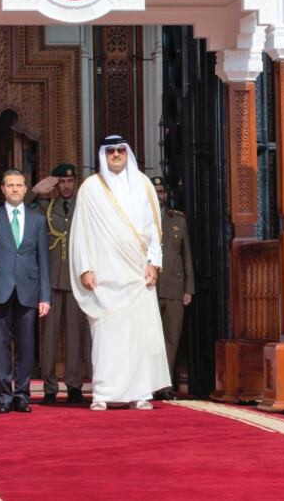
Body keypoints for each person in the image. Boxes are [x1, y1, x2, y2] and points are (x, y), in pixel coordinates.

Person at [70, 135, 170, 410]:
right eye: (111, 150)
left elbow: (154, 229)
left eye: (121, 150)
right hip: (104, 276)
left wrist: (154, 263)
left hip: (137, 274)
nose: (116, 154)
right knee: (106, 336)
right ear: (103, 154)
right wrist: (85, 268)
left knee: (138, 335)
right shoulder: (90, 188)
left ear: (127, 153)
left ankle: (140, 393)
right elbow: (81, 232)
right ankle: (103, 394)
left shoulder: (143, 184)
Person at [0, 168, 51, 414]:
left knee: (26, 346)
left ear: (26, 188)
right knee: (0, 345)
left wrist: (45, 297)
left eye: (19, 185)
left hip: (28, 289)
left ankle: (22, 395)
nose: (15, 189)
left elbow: (43, 262)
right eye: (10, 185)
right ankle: (4, 396)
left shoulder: (37, 220)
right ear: (3, 189)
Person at [28, 163, 90, 405]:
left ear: (75, 183)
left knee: (76, 336)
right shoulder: (45, 206)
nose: (66, 186)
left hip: (76, 280)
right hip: (50, 280)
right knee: (49, 337)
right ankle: (50, 388)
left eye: (70, 181)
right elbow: (19, 209)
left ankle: (74, 386)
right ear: (56, 184)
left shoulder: (83, 207)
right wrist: (35, 191)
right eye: (62, 182)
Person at [150, 176, 194, 400]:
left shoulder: (178, 219)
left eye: (161, 191)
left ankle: (164, 385)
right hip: (147, 288)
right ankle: (147, 383)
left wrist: (189, 288)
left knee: (171, 337)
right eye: (154, 191)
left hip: (174, 287)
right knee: (148, 338)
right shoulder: (140, 220)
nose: (159, 195)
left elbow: (186, 256)